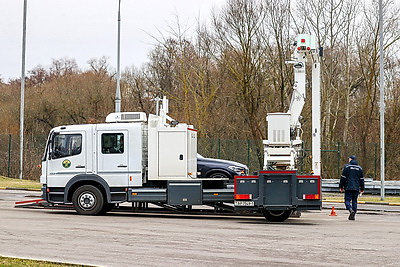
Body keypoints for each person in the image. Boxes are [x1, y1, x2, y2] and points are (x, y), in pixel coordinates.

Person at [339, 155, 365, 220]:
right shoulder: (359, 168)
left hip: (348, 187)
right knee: (354, 201)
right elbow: (361, 179)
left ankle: (350, 210)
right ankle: (353, 214)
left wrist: (341, 186)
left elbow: (343, 178)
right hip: (356, 187)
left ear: (350, 159)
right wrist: (362, 189)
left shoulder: (347, 167)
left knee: (347, 200)